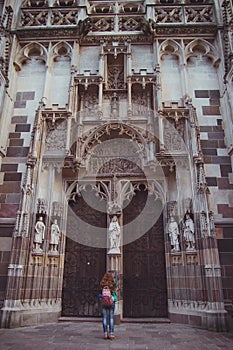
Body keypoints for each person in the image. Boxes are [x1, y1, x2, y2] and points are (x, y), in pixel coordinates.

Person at [100, 271, 118, 340]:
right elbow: (116, 287)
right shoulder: (112, 283)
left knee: (104, 318)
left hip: (104, 302)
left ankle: (105, 333)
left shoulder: (102, 283)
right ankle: (111, 333)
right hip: (111, 301)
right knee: (111, 318)